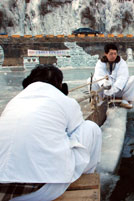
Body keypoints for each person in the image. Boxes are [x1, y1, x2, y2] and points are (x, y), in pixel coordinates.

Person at [0, 64, 102, 201]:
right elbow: (76, 131)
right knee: (91, 128)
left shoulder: (14, 102)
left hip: (3, 190)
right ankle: (86, 175)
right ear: (60, 84)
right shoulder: (65, 101)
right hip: (41, 190)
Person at [92, 43, 134, 109]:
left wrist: (114, 89)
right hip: (105, 90)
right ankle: (99, 101)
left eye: (115, 53)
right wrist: (106, 85)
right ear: (106, 54)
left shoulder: (122, 63)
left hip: (118, 90)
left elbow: (122, 77)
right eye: (111, 54)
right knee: (91, 80)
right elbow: (99, 75)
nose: (113, 56)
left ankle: (126, 101)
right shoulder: (100, 63)